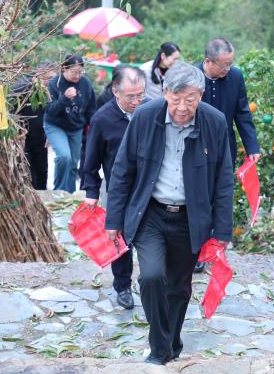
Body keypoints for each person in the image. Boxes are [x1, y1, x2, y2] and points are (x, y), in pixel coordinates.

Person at [105, 62, 234, 365]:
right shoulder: (144, 117)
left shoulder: (214, 123)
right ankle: (160, 348)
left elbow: (224, 179)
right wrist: (114, 219)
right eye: (176, 99)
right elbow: (122, 169)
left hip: (191, 218)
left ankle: (170, 343)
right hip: (151, 212)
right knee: (151, 277)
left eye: (190, 99)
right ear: (164, 93)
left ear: (201, 96)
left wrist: (222, 230)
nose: (182, 107)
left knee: (179, 286)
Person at [82, 66, 147, 310]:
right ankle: (122, 286)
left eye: (140, 95)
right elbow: (91, 158)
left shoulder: (150, 111)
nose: (136, 101)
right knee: (119, 238)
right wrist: (91, 191)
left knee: (149, 235)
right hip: (117, 188)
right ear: (115, 91)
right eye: (130, 96)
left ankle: (148, 281)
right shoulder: (102, 119)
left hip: (148, 187)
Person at [195, 38, 261, 273]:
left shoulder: (235, 76)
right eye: (224, 64)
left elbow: (242, 113)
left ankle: (212, 248)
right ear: (208, 61)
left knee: (219, 196)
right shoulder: (191, 77)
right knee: (197, 198)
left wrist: (252, 146)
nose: (228, 68)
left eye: (230, 63)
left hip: (224, 148)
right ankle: (195, 251)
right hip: (195, 148)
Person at [44, 54, 96, 192]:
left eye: (80, 72)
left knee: (73, 163)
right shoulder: (54, 84)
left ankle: (69, 193)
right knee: (64, 157)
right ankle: (59, 191)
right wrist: (65, 98)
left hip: (76, 127)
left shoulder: (85, 83)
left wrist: (91, 125)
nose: (77, 75)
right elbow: (50, 110)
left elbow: (91, 108)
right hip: (56, 125)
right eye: (74, 72)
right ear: (64, 69)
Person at [10, 62, 58, 190]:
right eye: (50, 78)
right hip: (22, 138)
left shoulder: (52, 90)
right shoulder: (21, 88)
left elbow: (54, 113)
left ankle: (41, 198)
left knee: (42, 173)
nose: (52, 82)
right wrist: (16, 134)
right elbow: (8, 112)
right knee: (28, 174)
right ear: (39, 75)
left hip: (40, 137)